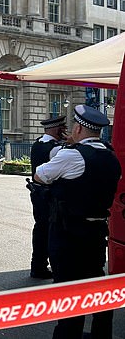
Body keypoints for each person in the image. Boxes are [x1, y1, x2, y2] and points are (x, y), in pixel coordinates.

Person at [34, 105, 121, 338]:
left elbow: (40, 174)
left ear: (79, 128)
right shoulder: (111, 156)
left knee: (68, 287)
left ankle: (67, 334)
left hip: (68, 231)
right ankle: (101, 334)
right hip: (96, 229)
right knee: (95, 281)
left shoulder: (72, 154)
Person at [27, 114, 67, 279]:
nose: (65, 130)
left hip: (37, 193)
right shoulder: (56, 149)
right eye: (63, 128)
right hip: (50, 195)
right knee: (52, 232)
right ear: (57, 129)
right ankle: (44, 266)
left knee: (40, 229)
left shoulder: (38, 143)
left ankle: (37, 264)